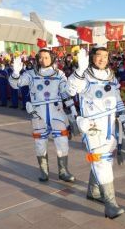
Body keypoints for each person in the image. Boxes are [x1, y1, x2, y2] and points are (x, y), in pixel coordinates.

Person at [66, 46, 125, 219]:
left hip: (110, 125)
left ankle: (93, 191)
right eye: (99, 56)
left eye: (105, 56)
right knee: (101, 161)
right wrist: (79, 70)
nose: (102, 59)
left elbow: (118, 100)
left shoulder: (111, 75)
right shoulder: (84, 75)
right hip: (93, 126)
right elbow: (71, 89)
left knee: (106, 160)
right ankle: (111, 203)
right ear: (92, 57)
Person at [9, 48, 76, 182]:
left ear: (52, 58)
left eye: (46, 57)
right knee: (40, 143)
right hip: (39, 114)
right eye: (40, 57)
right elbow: (16, 84)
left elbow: (65, 92)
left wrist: (73, 110)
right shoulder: (30, 74)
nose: (43, 60)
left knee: (62, 142)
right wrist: (16, 73)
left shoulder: (59, 74)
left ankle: (63, 171)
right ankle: (44, 170)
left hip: (57, 112)